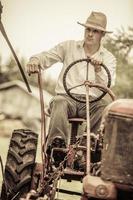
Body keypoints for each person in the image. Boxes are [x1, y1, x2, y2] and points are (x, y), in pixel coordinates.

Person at [27, 11, 116, 150]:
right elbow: (47, 56)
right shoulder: (69, 47)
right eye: (88, 29)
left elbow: (107, 86)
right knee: (58, 101)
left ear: (102, 34)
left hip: (91, 102)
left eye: (95, 31)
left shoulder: (108, 58)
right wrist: (35, 60)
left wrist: (98, 69)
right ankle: (57, 147)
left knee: (104, 107)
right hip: (66, 98)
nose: (90, 34)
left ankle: (89, 147)